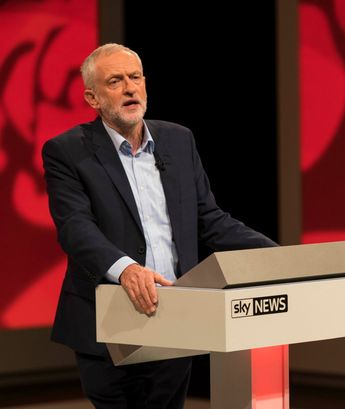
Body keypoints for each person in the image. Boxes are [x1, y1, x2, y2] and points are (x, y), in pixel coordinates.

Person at [42, 43, 277, 408]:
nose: (130, 88)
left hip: (174, 316)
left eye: (135, 78)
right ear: (93, 97)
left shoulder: (178, 140)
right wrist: (126, 269)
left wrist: (277, 256)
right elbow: (75, 227)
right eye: (115, 81)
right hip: (106, 322)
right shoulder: (68, 150)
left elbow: (210, 219)